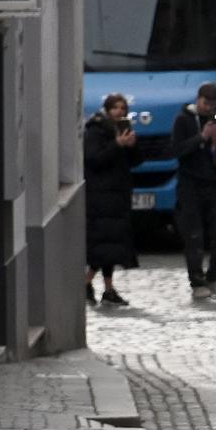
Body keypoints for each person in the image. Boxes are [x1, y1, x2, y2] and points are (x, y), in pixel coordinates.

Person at [170, 82, 216, 300]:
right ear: (197, 99)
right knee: (194, 236)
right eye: (205, 103)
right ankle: (197, 281)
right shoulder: (183, 120)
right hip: (190, 186)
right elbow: (177, 150)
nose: (208, 107)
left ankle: (214, 277)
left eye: (212, 104)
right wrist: (200, 137)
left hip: (213, 186)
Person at [83, 93, 139, 306]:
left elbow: (135, 161)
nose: (120, 112)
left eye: (123, 109)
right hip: (101, 196)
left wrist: (131, 145)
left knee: (113, 246)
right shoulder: (95, 131)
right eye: (116, 108)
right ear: (107, 110)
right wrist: (116, 144)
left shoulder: (122, 130)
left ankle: (108, 288)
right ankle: (86, 282)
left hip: (118, 195)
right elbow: (94, 159)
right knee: (103, 246)